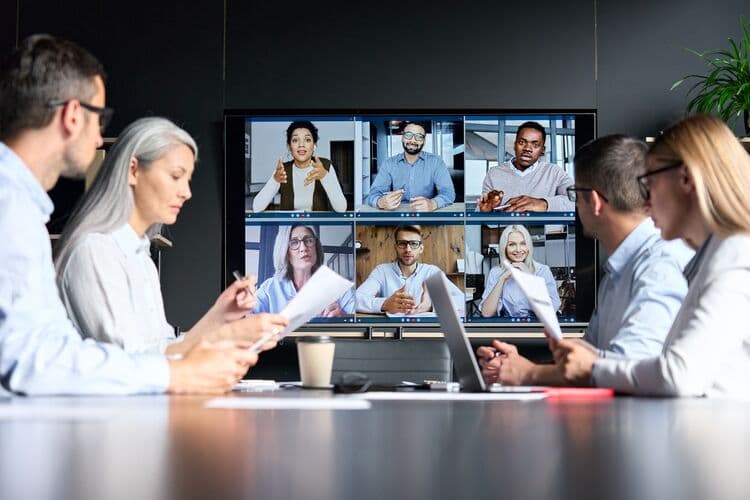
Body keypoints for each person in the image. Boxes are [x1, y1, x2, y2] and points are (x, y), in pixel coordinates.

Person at [0, 34, 274, 396]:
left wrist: (217, 324)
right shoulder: (16, 208)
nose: (100, 139)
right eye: (100, 119)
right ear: (71, 115)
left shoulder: (26, 208)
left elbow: (62, 350)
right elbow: (34, 360)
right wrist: (188, 366)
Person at [54, 117, 288, 354]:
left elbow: (163, 349)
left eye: (188, 180)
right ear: (133, 170)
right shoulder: (95, 250)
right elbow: (129, 364)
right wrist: (229, 334)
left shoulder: (141, 257)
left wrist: (221, 315)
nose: (186, 193)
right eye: (176, 176)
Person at [554, 115, 750, 398]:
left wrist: (594, 368)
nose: (644, 202)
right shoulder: (713, 255)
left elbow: (679, 374)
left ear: (685, 179)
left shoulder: (735, 255)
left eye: (650, 182)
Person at [478, 135, 691, 387]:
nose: (575, 204)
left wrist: (528, 374)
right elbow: (592, 360)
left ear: (595, 201)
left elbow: (631, 369)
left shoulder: (659, 264)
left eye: (575, 193)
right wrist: (516, 366)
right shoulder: (618, 270)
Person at [356, 225, 465, 316]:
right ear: (395, 247)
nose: (408, 249)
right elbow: (356, 299)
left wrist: (431, 304)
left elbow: (461, 301)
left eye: (413, 244)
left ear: (421, 248)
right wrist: (385, 304)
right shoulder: (382, 271)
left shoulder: (432, 272)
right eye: (402, 243)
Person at [254, 225, 355, 316]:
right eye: (294, 243)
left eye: (309, 241)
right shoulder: (269, 288)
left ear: (316, 248)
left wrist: (343, 317)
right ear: (285, 252)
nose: (303, 248)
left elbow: (358, 319)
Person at [476, 121, 574, 212]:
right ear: (514, 145)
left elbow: (578, 200)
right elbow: (481, 209)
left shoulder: (554, 172)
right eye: (522, 142)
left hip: (540, 231)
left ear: (542, 150)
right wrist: (486, 211)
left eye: (535, 145)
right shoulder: (494, 173)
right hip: (505, 231)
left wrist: (543, 203)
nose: (527, 148)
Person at [252, 121, 347, 212]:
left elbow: (341, 208)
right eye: (295, 140)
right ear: (289, 147)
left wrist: (324, 177)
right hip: (289, 228)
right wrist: (275, 180)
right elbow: (256, 207)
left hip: (319, 227)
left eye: (307, 140)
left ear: (314, 145)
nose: (301, 144)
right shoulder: (282, 169)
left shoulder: (325, 166)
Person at [366, 121, 455, 212]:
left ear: (424, 141)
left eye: (419, 137)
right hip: (397, 217)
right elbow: (373, 194)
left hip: (426, 216)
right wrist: (380, 202)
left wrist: (433, 204)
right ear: (402, 137)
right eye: (408, 135)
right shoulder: (388, 163)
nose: (413, 140)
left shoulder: (436, 162)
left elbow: (448, 193)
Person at [479, 224, 561, 318]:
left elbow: (551, 310)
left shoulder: (542, 271)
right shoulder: (496, 272)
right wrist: (502, 279)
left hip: (537, 327)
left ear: (528, 246)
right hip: (510, 327)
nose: (518, 250)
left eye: (523, 243)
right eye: (512, 244)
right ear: (504, 248)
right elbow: (486, 313)